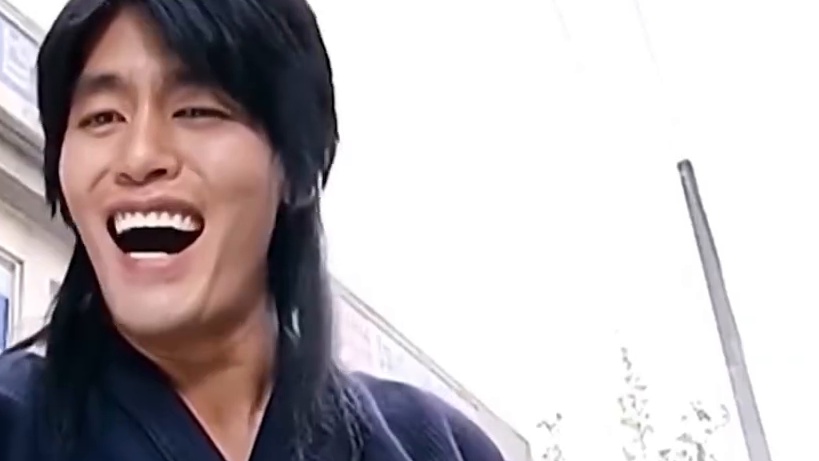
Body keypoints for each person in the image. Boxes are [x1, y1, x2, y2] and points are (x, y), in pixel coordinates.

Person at [0, 0, 508, 460]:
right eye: (102, 118)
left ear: (297, 166)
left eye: (197, 111)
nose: (139, 157)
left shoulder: (435, 446)